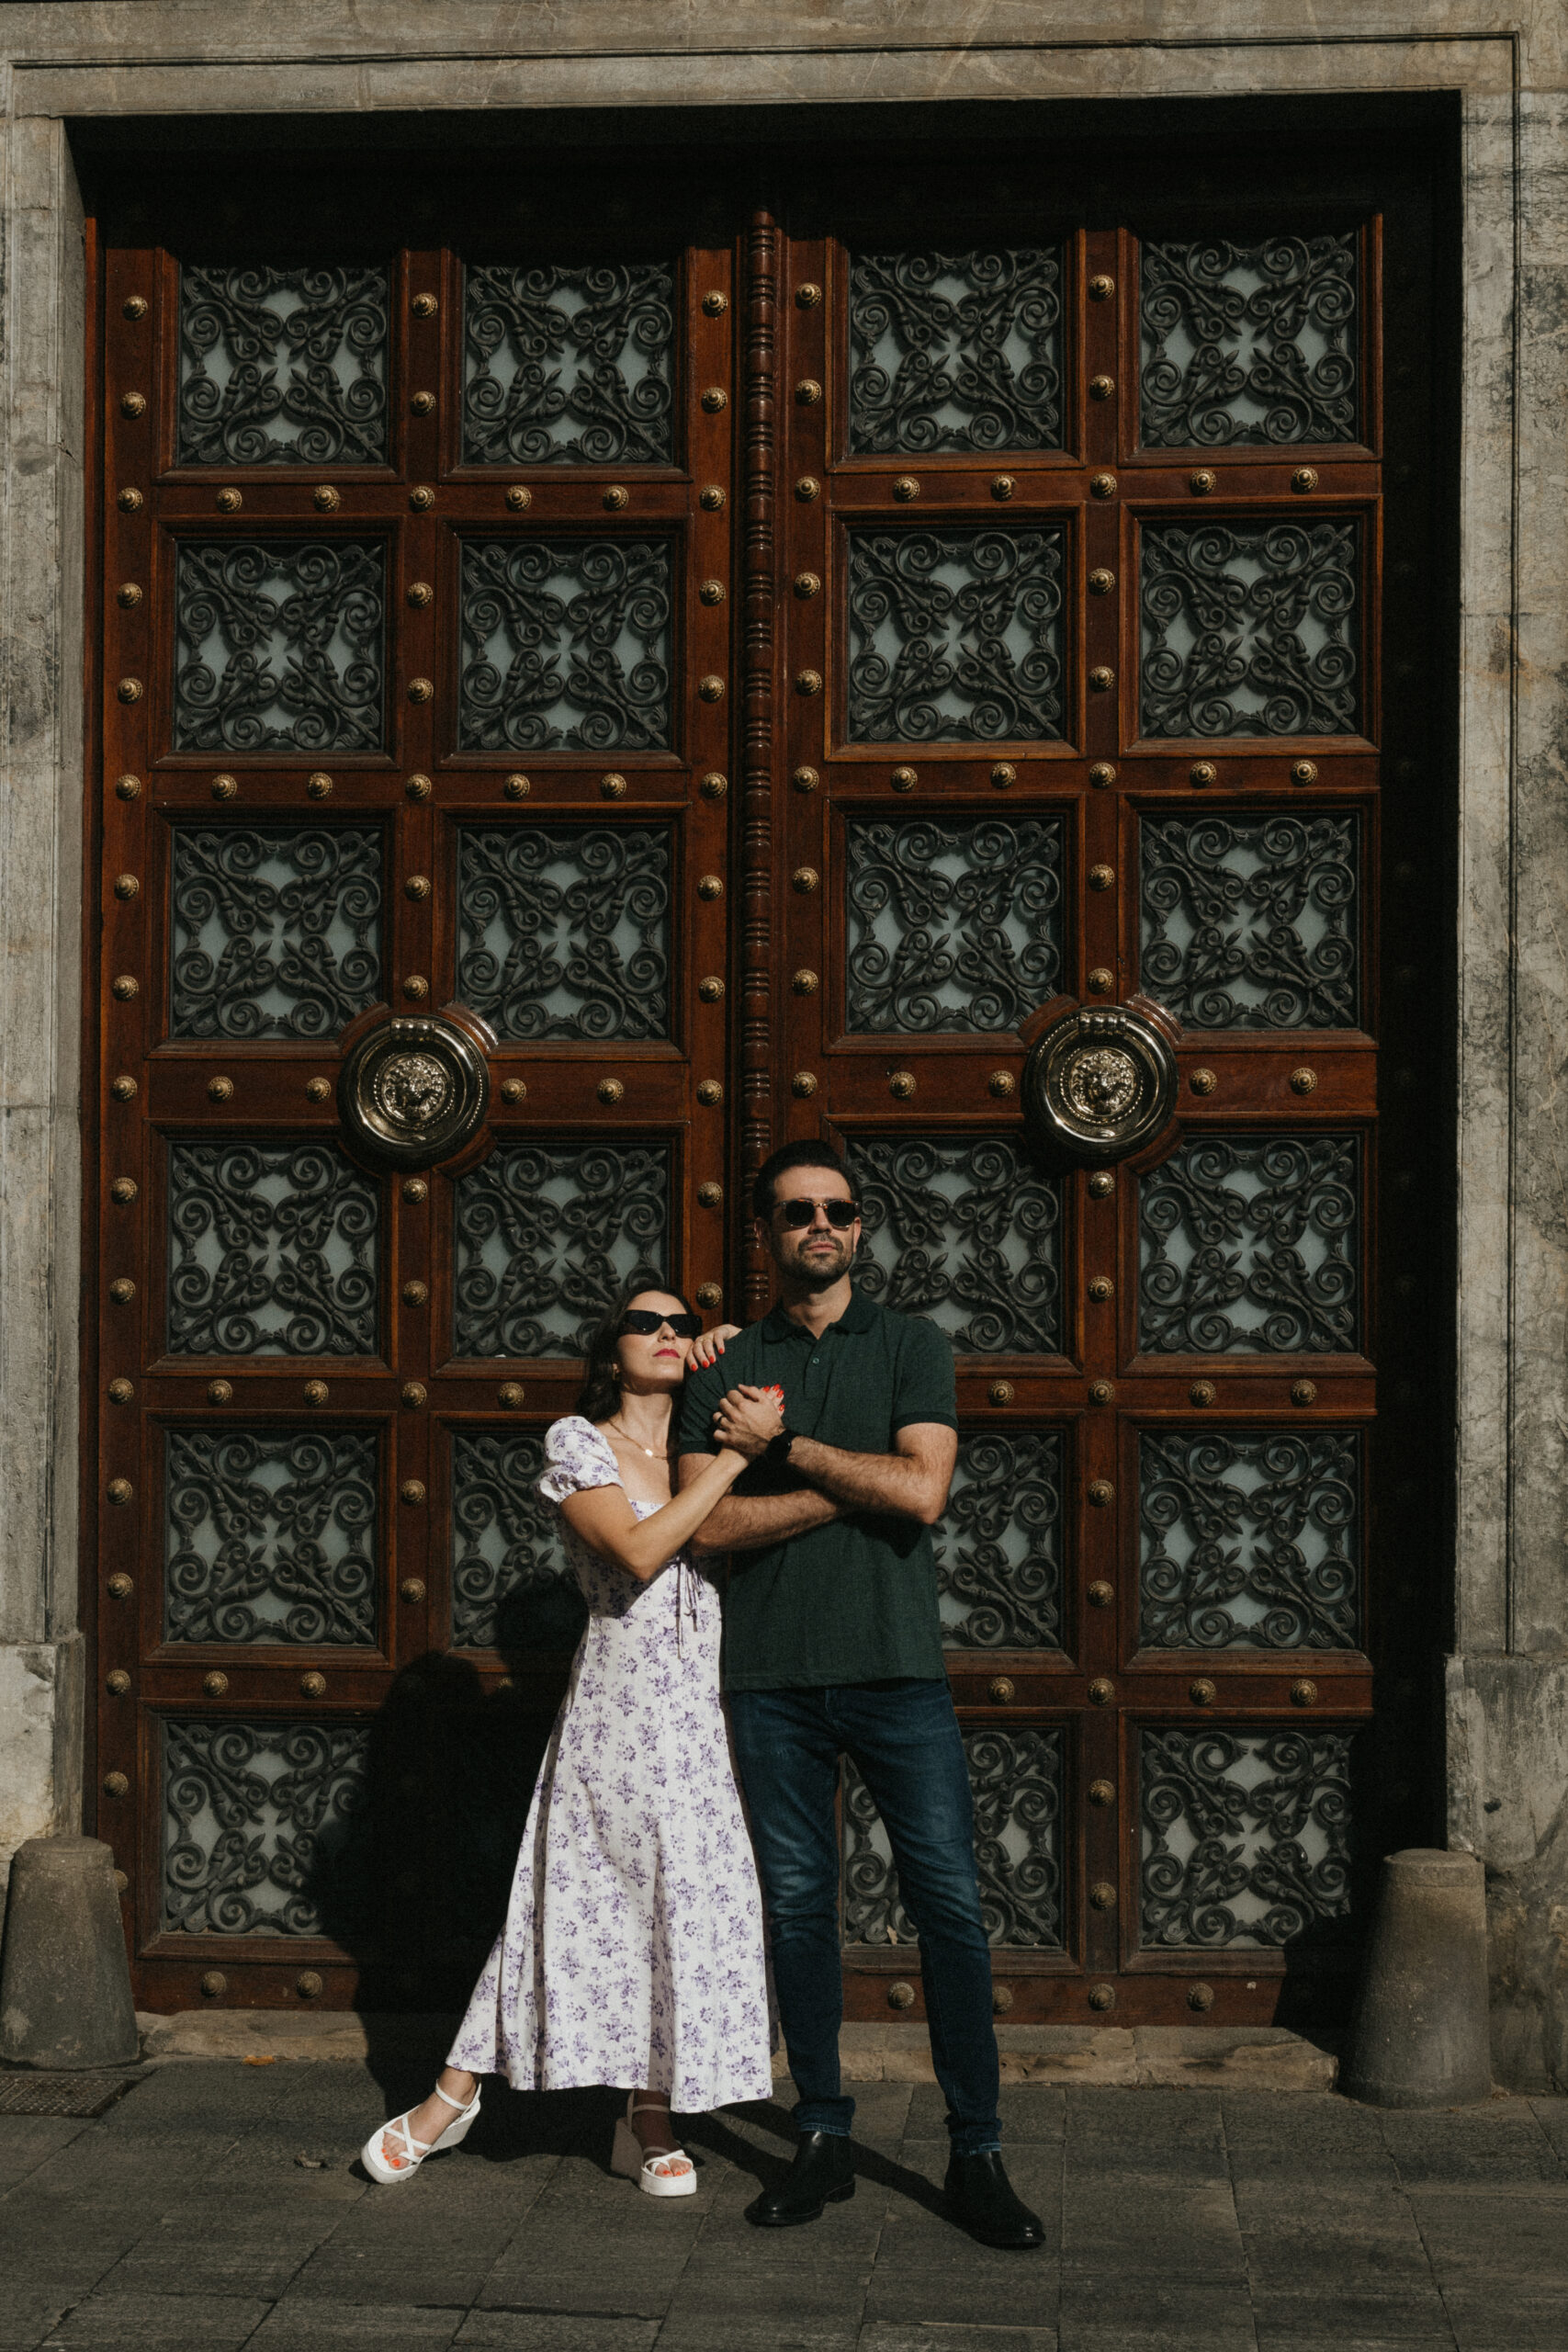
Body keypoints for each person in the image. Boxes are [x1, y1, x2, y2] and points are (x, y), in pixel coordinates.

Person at [677, 1141, 1043, 2251]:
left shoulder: (913, 1344)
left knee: (949, 1913)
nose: (818, 1227)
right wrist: (852, 1485)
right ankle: (823, 2134)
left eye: (836, 1210)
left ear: (862, 1226)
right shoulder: (721, 1362)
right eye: (796, 1212)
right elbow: (713, 1521)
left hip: (896, 1675)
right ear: (767, 1231)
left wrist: (787, 1448)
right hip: (771, 1677)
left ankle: (976, 2149)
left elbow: (923, 1492)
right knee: (796, 1911)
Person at [361, 1287, 772, 2197]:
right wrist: (733, 1464)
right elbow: (636, 1549)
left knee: (681, 1902)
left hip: (702, 1708)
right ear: (611, 1347)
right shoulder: (579, 1440)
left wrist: (743, 1357)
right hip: (615, 1711)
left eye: (680, 1323)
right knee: (566, 1900)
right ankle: (452, 2093)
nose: (666, 1333)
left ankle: (648, 2110)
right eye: (645, 1322)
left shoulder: (708, 1441)